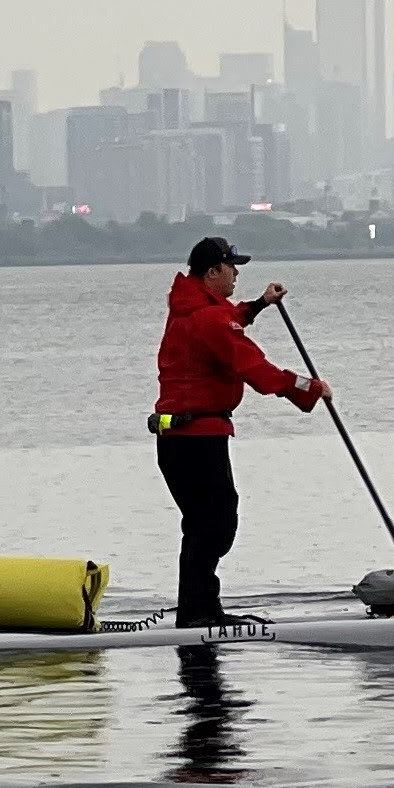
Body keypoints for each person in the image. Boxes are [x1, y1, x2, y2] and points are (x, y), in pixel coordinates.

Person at [152, 237, 328, 628]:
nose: (237, 275)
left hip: (181, 441)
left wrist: (261, 304)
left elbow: (229, 321)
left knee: (203, 524)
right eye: (232, 268)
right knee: (215, 522)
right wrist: (310, 389)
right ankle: (198, 613)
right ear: (213, 271)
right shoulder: (208, 319)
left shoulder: (191, 308)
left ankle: (198, 609)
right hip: (197, 438)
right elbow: (256, 369)